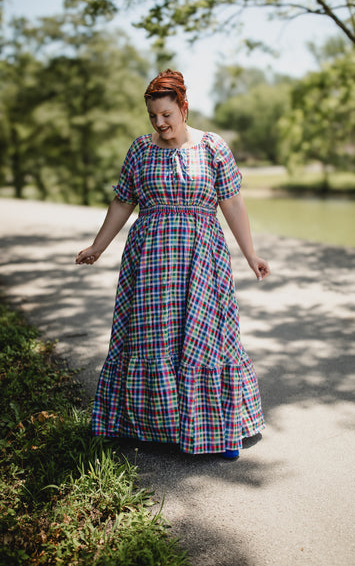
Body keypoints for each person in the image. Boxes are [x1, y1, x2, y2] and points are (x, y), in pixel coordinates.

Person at [76, 69, 270, 459]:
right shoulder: (140, 150)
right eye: (153, 116)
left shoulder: (212, 147)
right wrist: (98, 245)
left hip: (202, 259)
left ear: (184, 107)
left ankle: (217, 430)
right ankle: (146, 427)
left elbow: (232, 202)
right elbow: (123, 201)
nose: (160, 123)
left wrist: (251, 254)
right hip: (150, 262)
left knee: (207, 338)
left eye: (167, 114)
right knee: (151, 337)